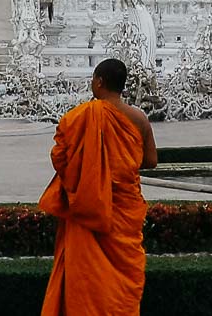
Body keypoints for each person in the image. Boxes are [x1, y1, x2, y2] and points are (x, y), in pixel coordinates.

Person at [39, 58, 158, 315]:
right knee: (121, 288)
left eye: (93, 79)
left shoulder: (82, 116)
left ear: (99, 82)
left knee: (87, 282)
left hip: (88, 207)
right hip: (124, 210)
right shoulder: (139, 119)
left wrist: (91, 170)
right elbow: (151, 161)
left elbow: (59, 157)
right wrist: (119, 166)